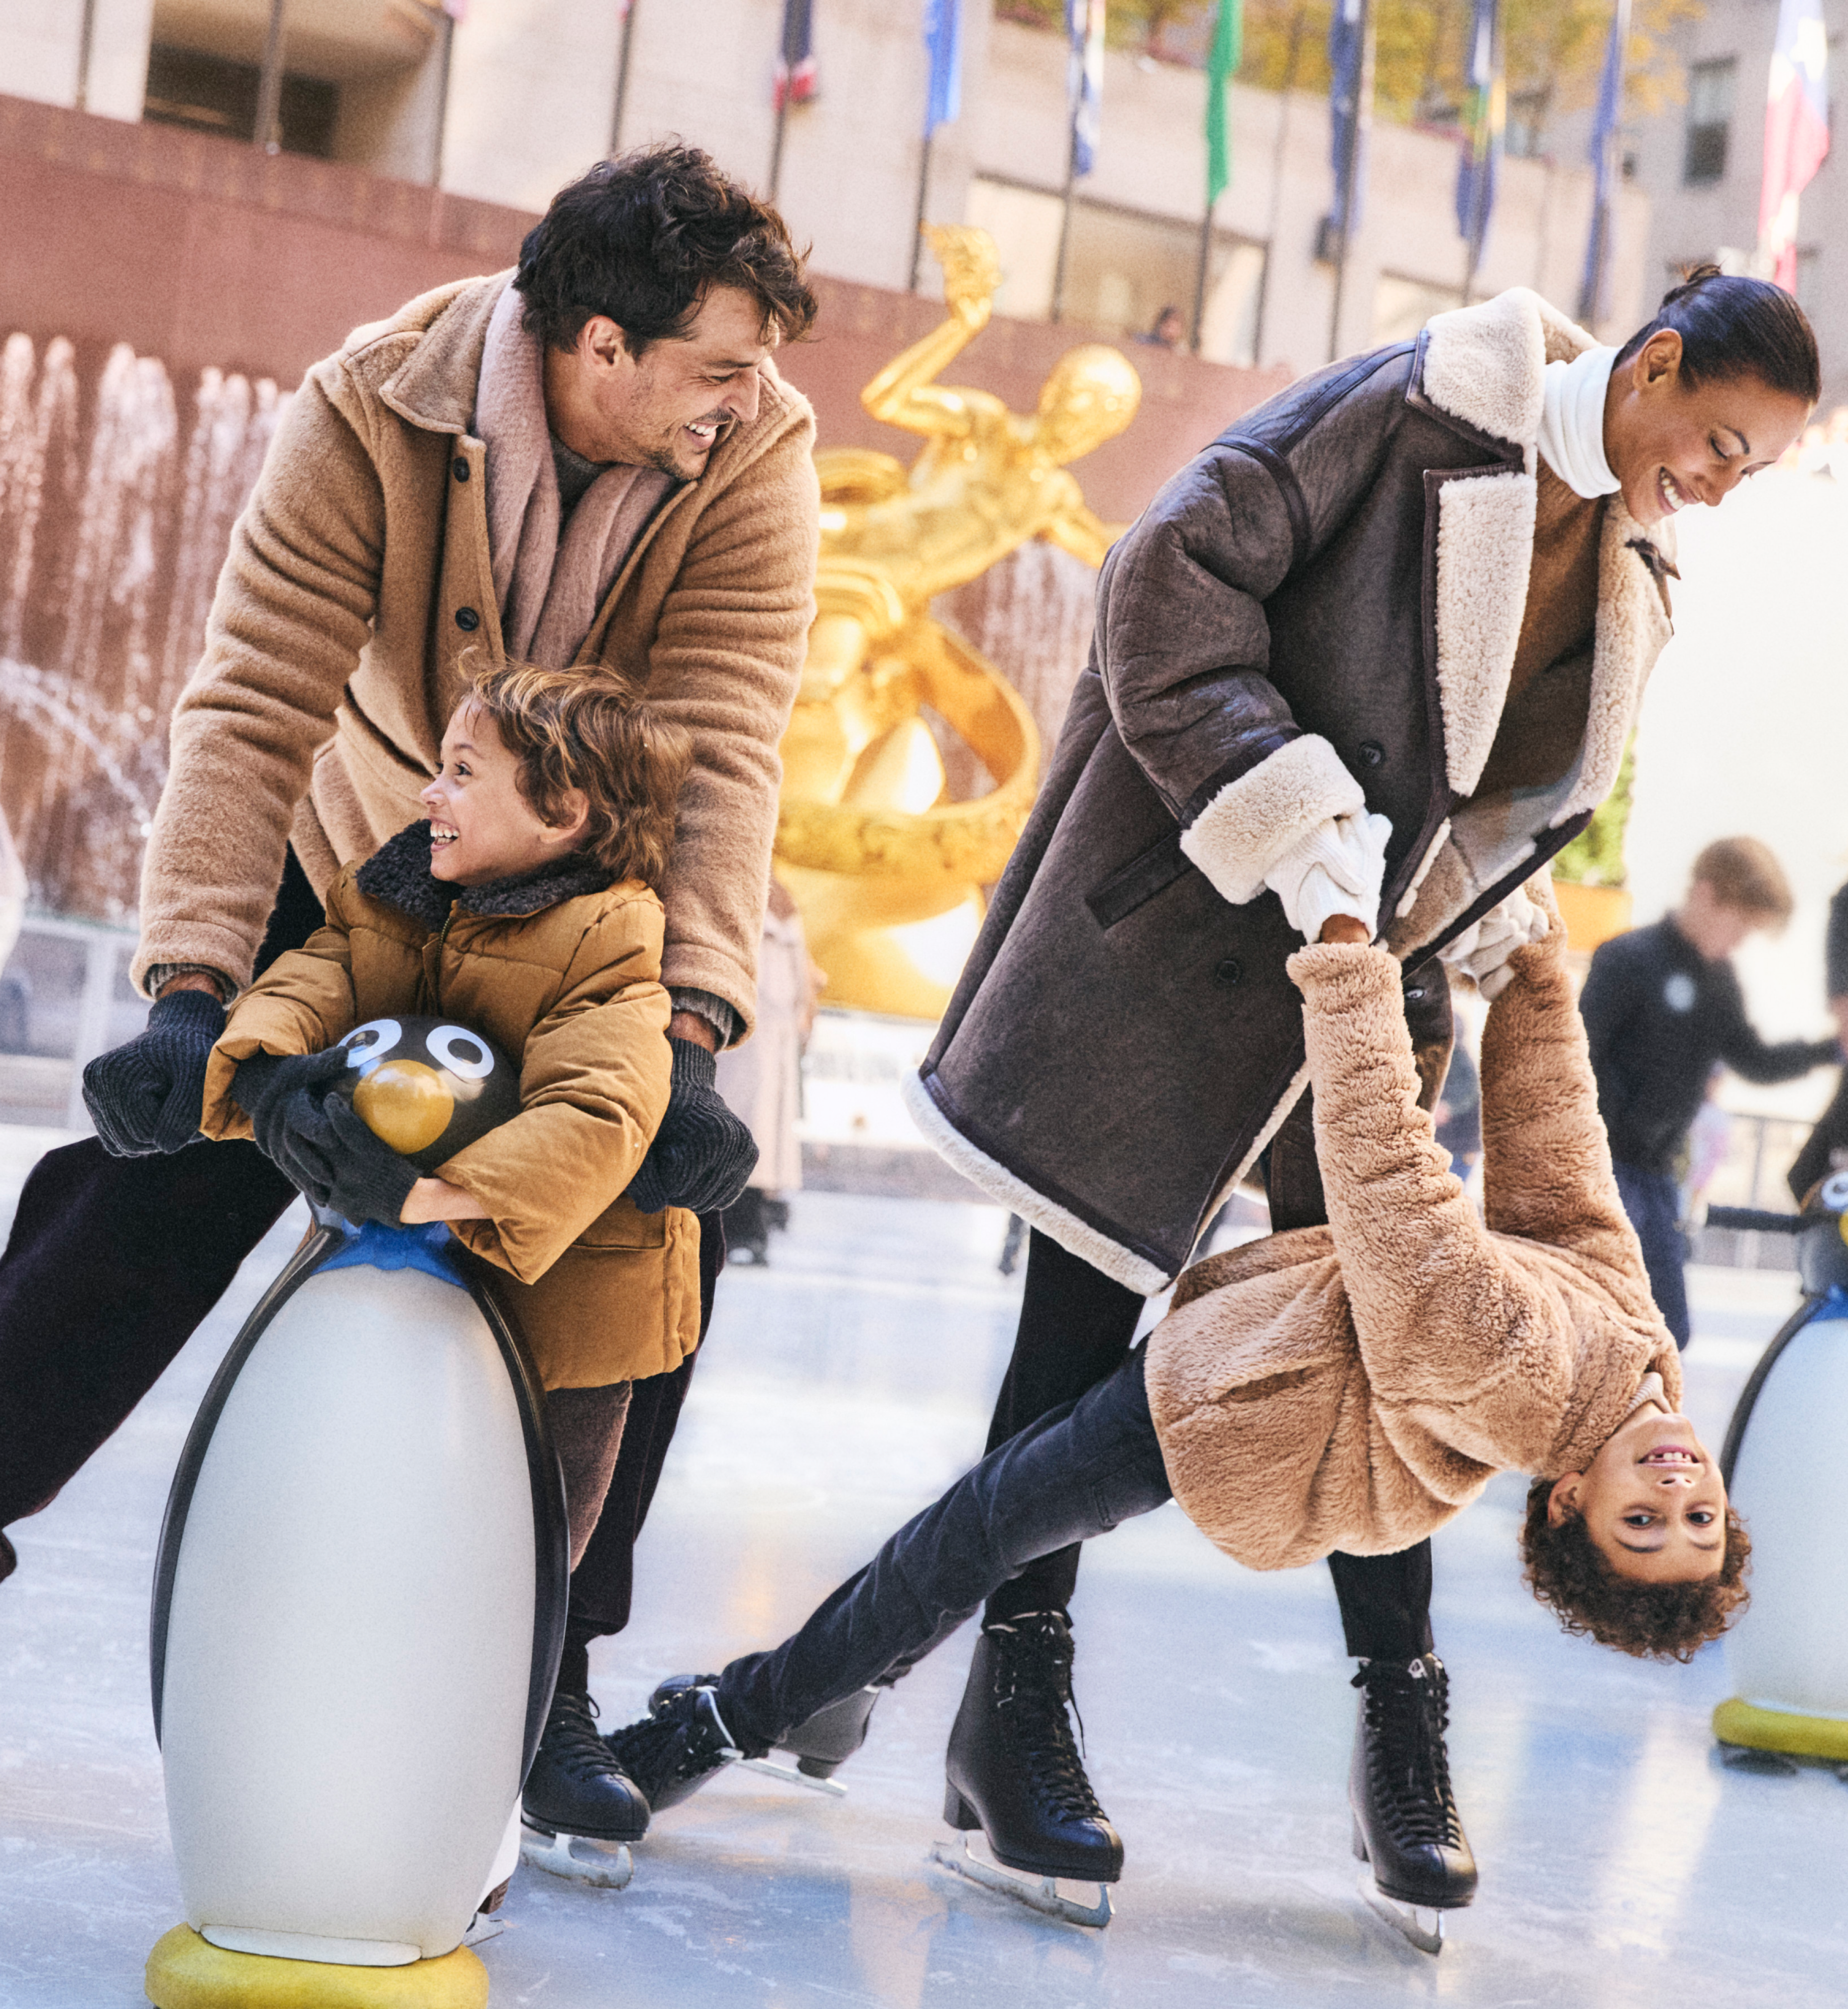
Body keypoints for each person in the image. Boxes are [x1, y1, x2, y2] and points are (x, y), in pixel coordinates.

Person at [896, 267, 1817, 1912]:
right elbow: (1163, 580)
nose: (1726, 486)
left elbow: (1498, 784)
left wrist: (1481, 890)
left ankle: (1403, 1735)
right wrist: (1287, 807)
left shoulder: (1640, 557)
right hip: (1180, 947)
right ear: (1657, 363)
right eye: (1725, 441)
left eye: (1762, 466)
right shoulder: (1405, 415)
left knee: (1408, 1365)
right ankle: (1007, 1711)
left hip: (1360, 994)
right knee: (1073, 1334)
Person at [0, 145, 821, 1849]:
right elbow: (253, 703)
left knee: (642, 1228)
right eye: (718, 363)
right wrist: (189, 990)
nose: (748, 397)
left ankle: (552, 1672)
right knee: (161, 1174)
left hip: (603, 901)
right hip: (373, 846)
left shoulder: (757, 454)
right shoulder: (374, 402)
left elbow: (730, 744)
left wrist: (687, 1031)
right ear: (599, 345)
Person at [603, 899, 1747, 1928]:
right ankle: (827, 1695)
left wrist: (1349, 969)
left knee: (982, 1527)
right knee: (987, 1528)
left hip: (1230, 1404)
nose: (1669, 1492)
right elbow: (1559, 1164)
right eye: (1693, 1516)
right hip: (1302, 1376)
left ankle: (721, 1718)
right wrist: (1538, 980)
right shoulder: (1639, 1358)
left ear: (1565, 1500)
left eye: (1638, 1525)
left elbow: (1396, 1196)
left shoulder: (1531, 1380)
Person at [201, 659, 699, 1851]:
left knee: (518, 1567)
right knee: (384, 1530)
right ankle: (342, 1748)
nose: (430, 793)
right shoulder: (398, 894)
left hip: (576, 1323)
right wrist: (265, 1073)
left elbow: (601, 1109)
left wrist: (426, 1187)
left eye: (462, 773)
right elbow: (319, 976)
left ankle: (475, 1803)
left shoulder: (611, 932)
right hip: (426, 1294)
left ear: (564, 814)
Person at [1581, 837, 1839, 1346]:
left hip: (1656, 1178)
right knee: (1598, 1321)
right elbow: (1577, 1060)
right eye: (1738, 924)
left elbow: (1755, 1060)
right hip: (1601, 1169)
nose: (1739, 940)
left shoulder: (1720, 981)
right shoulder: (1626, 960)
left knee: (1668, 1331)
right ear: (1705, 894)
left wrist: (1830, 1050)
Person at [717, 879, 819, 1265]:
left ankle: (749, 1229)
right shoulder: (762, 895)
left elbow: (800, 978)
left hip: (771, 1034)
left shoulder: (784, 902)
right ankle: (743, 1230)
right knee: (745, 1127)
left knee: (760, 1132)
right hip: (748, 1030)